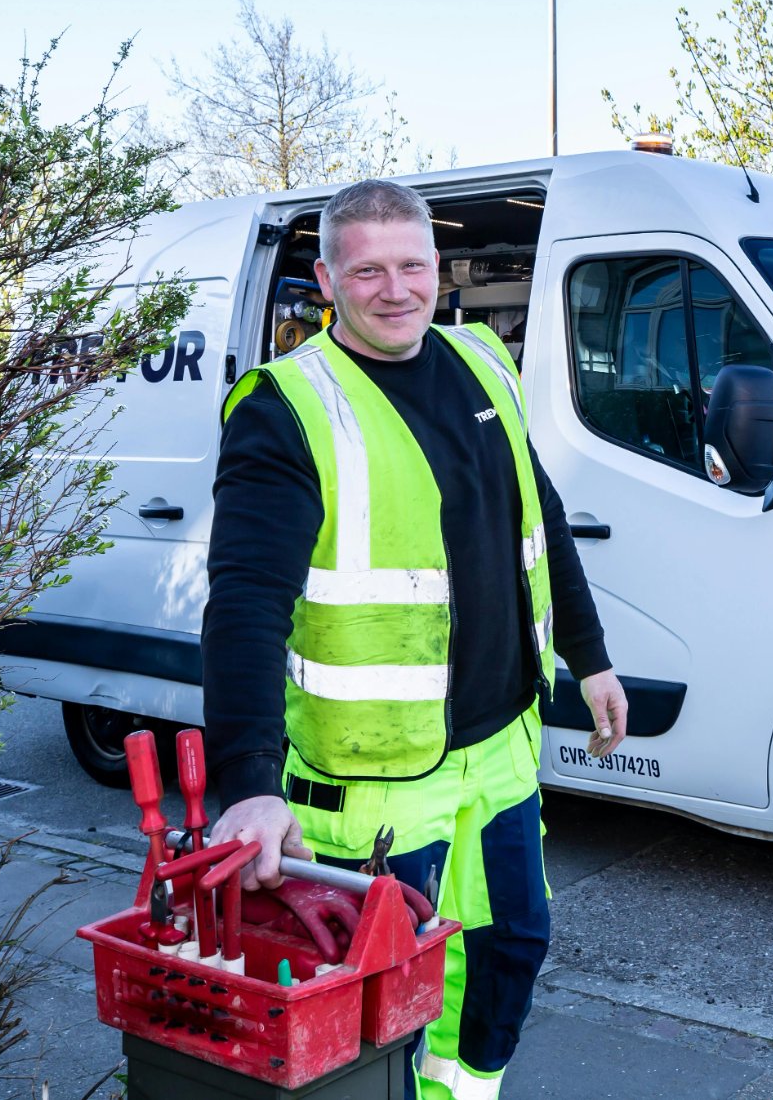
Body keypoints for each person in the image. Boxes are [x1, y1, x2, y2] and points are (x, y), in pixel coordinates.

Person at [202, 178, 626, 1100]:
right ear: (326, 279)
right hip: (374, 791)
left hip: (501, 756)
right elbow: (241, 605)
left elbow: (539, 519)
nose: (395, 290)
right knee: (367, 1009)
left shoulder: (481, 360)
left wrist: (588, 657)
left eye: (413, 266)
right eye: (368, 271)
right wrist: (246, 784)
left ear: (440, 268)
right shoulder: (287, 408)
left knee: (510, 951)